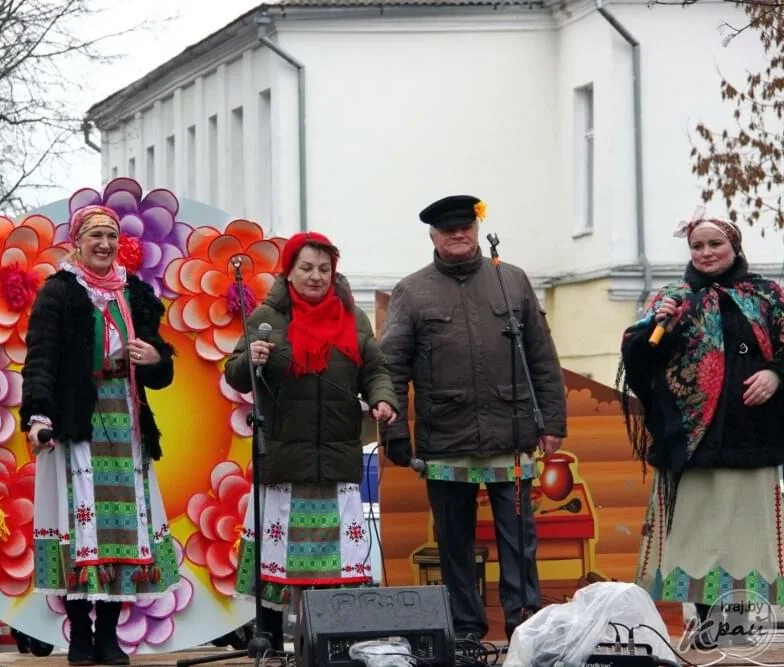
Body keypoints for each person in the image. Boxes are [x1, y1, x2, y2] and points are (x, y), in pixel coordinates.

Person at [380, 195, 567, 642]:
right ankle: (466, 629)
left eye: (465, 226)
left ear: (477, 230)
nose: (458, 234)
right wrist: (394, 431)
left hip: (513, 432)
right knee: (454, 545)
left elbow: (542, 355)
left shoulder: (512, 281)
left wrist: (553, 422)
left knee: (519, 540)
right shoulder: (412, 291)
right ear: (433, 237)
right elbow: (390, 367)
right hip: (445, 437)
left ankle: (525, 625)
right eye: (448, 230)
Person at [224, 231, 398, 650]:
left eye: (324, 268)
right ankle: (266, 632)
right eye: (306, 268)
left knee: (337, 555)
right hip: (283, 454)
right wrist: (253, 360)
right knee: (277, 548)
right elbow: (234, 373)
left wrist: (382, 398)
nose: (316, 276)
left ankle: (333, 638)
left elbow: (374, 369)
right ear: (289, 271)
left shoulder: (353, 318)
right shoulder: (267, 316)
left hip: (337, 455)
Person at [21, 205, 178, 667]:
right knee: (80, 524)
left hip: (126, 420)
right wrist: (37, 416)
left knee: (118, 531)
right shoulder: (59, 293)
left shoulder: (136, 294)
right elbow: (41, 358)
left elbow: (161, 372)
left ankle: (109, 634)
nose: (105, 244)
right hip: (76, 421)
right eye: (95, 236)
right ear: (77, 242)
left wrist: (154, 359)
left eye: (111, 235)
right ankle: (80, 634)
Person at [619, 212, 784, 650]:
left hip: (754, 437)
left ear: (735, 247)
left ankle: (743, 618)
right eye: (698, 246)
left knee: (746, 534)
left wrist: (775, 375)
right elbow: (639, 361)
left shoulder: (767, 296)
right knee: (700, 534)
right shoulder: (674, 298)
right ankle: (707, 621)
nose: (707, 253)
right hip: (693, 441)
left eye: (716, 245)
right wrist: (662, 328)